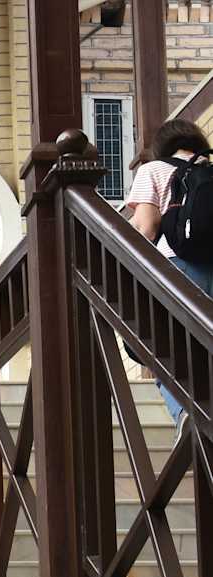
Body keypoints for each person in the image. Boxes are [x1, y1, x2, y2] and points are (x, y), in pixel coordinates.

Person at [125, 118, 213, 429]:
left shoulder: (154, 169)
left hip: (178, 270)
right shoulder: (208, 170)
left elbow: (147, 228)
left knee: (162, 348)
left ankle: (186, 416)